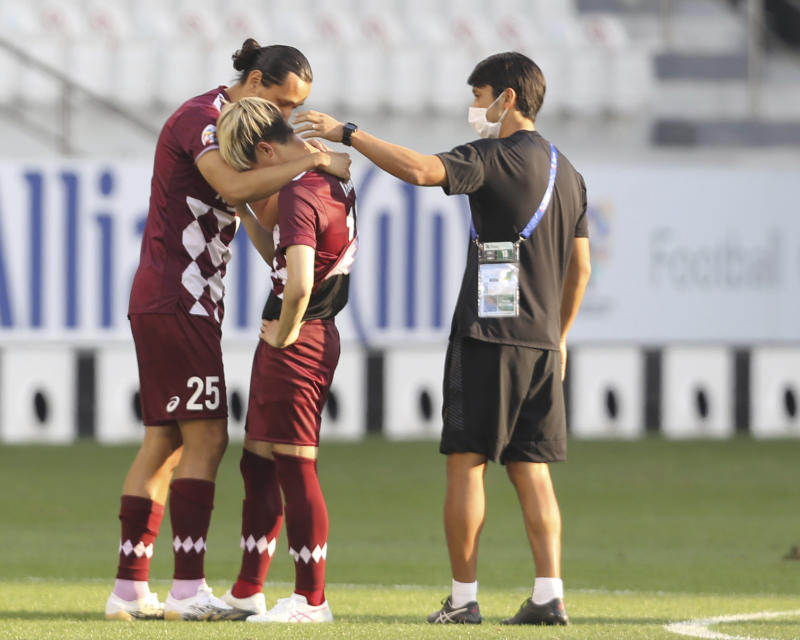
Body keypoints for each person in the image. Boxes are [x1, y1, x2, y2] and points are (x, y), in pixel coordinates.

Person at [294, 51, 591, 626]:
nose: (473, 108)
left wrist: (349, 134)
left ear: (506, 99)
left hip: (487, 334)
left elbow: (421, 170)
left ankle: (462, 599)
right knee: (533, 469)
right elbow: (580, 268)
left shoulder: (494, 155)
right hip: (540, 342)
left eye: (479, 97)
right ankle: (549, 595)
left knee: (465, 462)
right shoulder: (569, 171)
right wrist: (560, 336)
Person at [104, 39, 350, 622]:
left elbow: (255, 207)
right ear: (257, 80)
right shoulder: (203, 119)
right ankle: (187, 590)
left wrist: (306, 180)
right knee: (208, 438)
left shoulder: (236, 129)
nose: (288, 116)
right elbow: (235, 189)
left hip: (184, 300)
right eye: (285, 102)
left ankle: (130, 590)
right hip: (178, 297)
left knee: (164, 440)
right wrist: (314, 161)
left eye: (297, 109)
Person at [212, 97, 359, 623]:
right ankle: (249, 588)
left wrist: (285, 335)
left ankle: (310, 600)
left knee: (295, 467)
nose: (252, 178)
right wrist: (246, 212)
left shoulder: (301, 192)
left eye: (250, 166)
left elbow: (299, 284)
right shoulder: (328, 179)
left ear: (267, 150)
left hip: (299, 340)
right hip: (300, 336)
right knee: (258, 462)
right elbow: (281, 253)